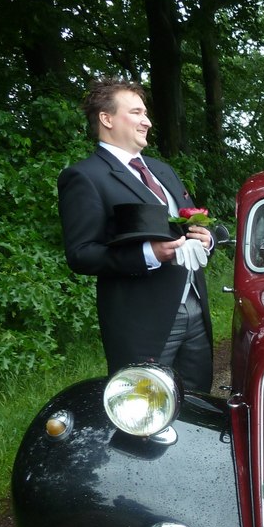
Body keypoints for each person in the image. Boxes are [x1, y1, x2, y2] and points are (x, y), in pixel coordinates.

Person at [58, 77, 214, 392]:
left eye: (146, 113)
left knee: (198, 405)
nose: (148, 122)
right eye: (136, 113)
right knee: (144, 408)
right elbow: (81, 253)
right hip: (143, 324)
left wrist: (206, 239)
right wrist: (148, 255)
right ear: (107, 119)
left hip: (195, 309)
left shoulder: (163, 170)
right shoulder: (84, 177)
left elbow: (188, 223)